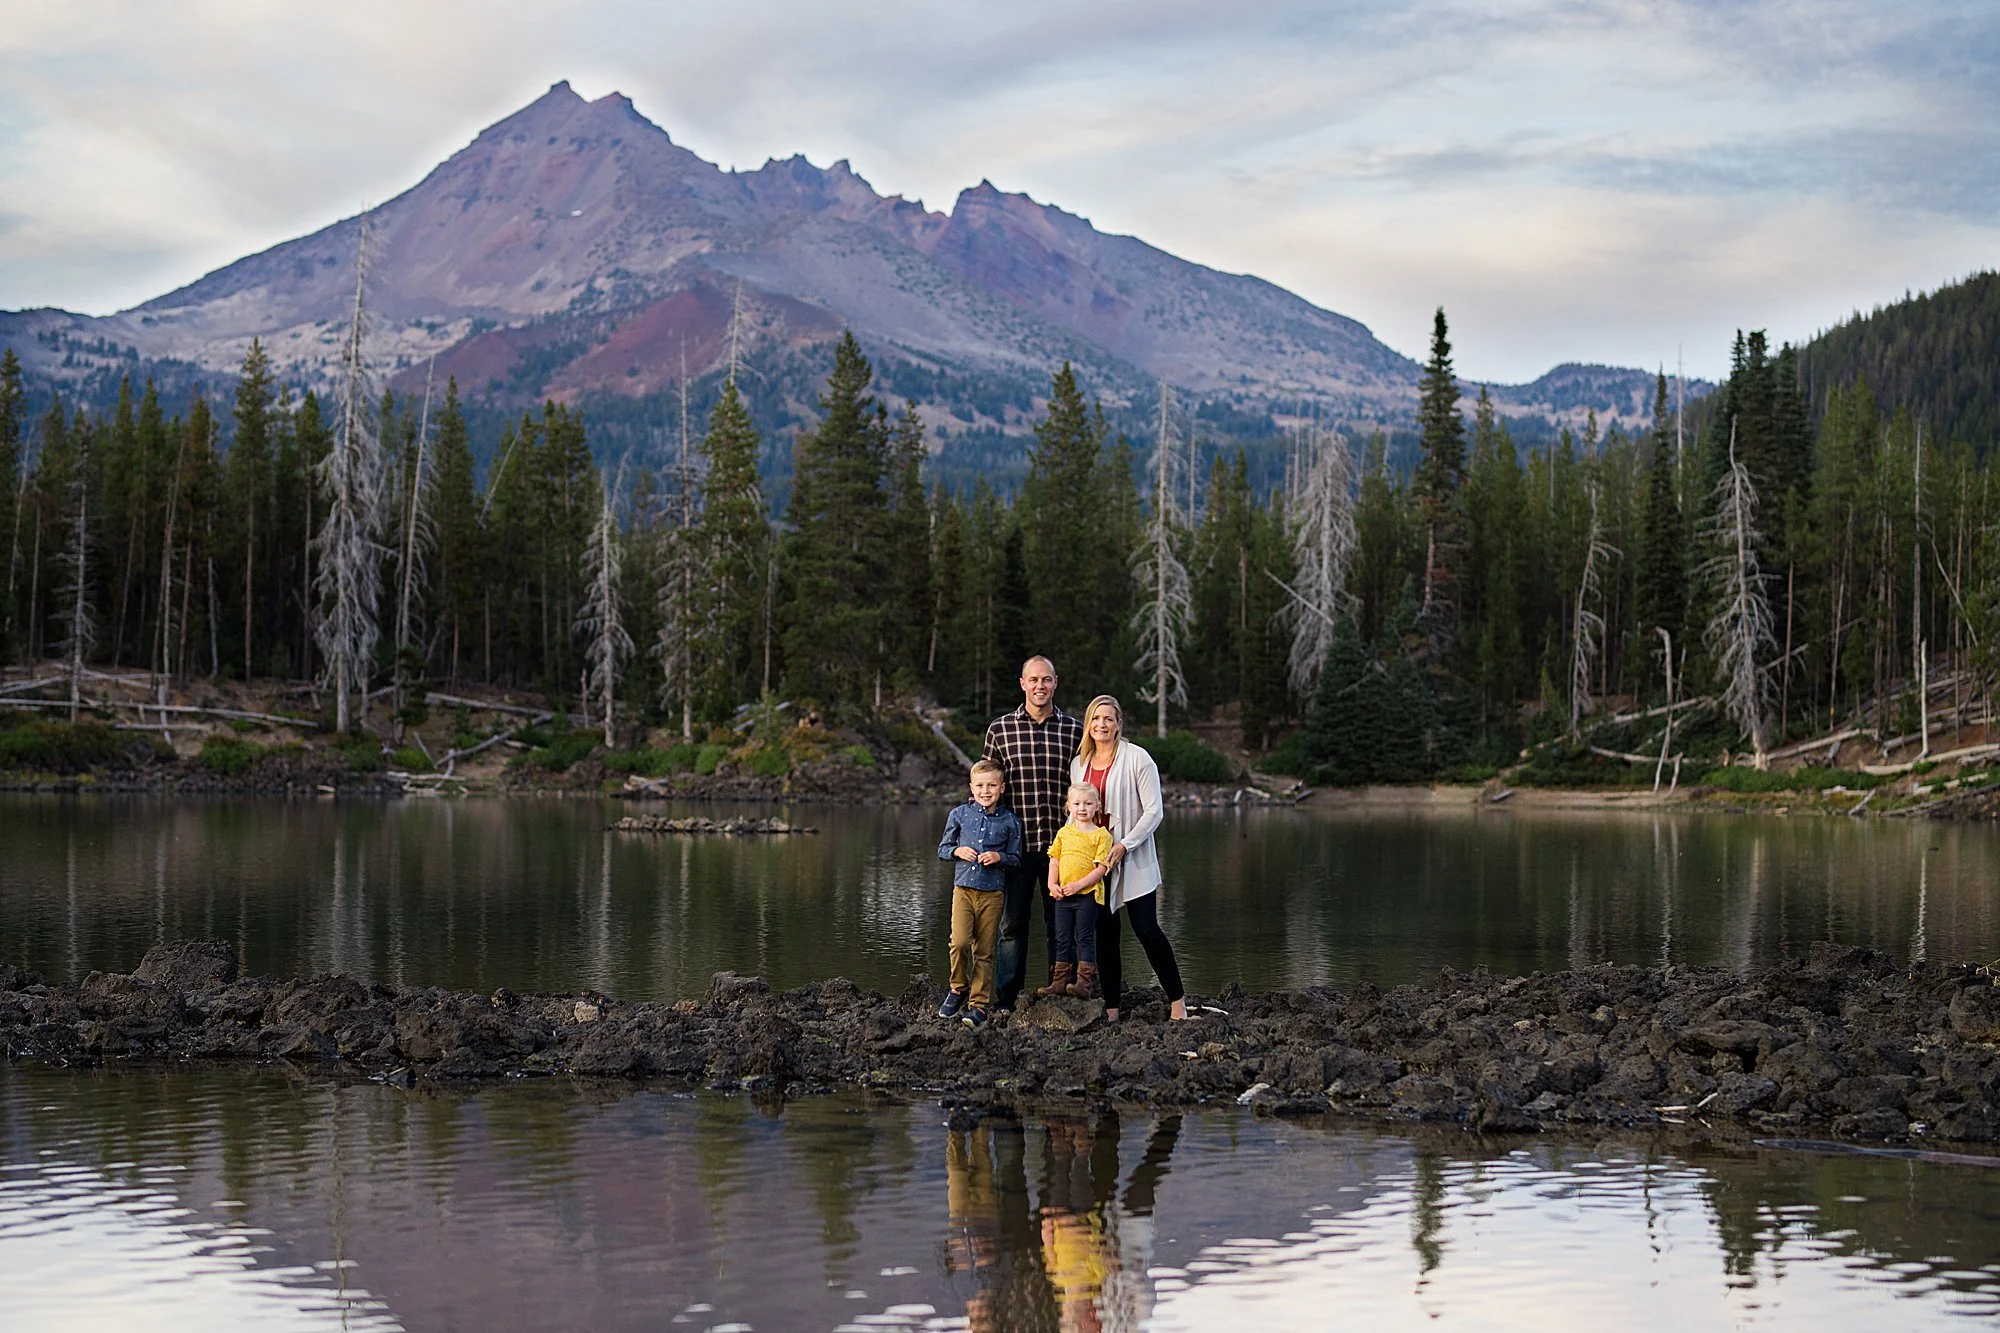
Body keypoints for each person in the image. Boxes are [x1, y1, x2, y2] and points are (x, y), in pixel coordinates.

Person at [1072, 695, 1187, 1022]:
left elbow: (1154, 811)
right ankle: (1111, 1008)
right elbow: (1075, 814)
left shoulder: (1138, 758)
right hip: (1097, 863)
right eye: (1096, 719)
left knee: (1146, 928)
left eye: (1108, 719)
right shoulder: (1079, 763)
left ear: (1118, 723)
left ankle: (1177, 1000)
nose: (1102, 725)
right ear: (1088, 724)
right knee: (1105, 933)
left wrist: (1125, 845)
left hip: (1132, 857)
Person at [982, 655, 1085, 1011]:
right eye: (1033, 680)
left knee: (1062, 923)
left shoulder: (1074, 731)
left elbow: (1088, 783)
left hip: (1063, 847)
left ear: (1056, 683)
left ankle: (1062, 993)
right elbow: (988, 787)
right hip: (1015, 847)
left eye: (1047, 680)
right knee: (1011, 925)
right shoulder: (1000, 730)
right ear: (1022, 684)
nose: (1040, 686)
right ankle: (1006, 1000)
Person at [936, 758, 1023, 1029]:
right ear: (971, 788)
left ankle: (979, 1005)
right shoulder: (959, 815)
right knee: (959, 942)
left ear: (1002, 788)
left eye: (992, 785)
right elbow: (942, 849)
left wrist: (999, 856)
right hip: (963, 890)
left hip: (992, 893)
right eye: (980, 785)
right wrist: (956, 851)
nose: (986, 791)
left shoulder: (1010, 821)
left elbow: (1016, 858)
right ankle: (957, 987)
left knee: (984, 950)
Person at [1039, 784, 1114, 999]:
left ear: (1097, 807)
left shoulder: (1102, 835)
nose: (1082, 808)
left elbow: (1101, 869)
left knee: (1084, 938)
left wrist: (1078, 886)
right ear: (1068, 807)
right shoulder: (1064, 832)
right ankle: (1059, 982)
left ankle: (1084, 984)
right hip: (1062, 896)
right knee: (1061, 938)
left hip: (1087, 896)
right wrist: (1052, 885)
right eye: (1077, 803)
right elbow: (1055, 860)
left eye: (1088, 803)